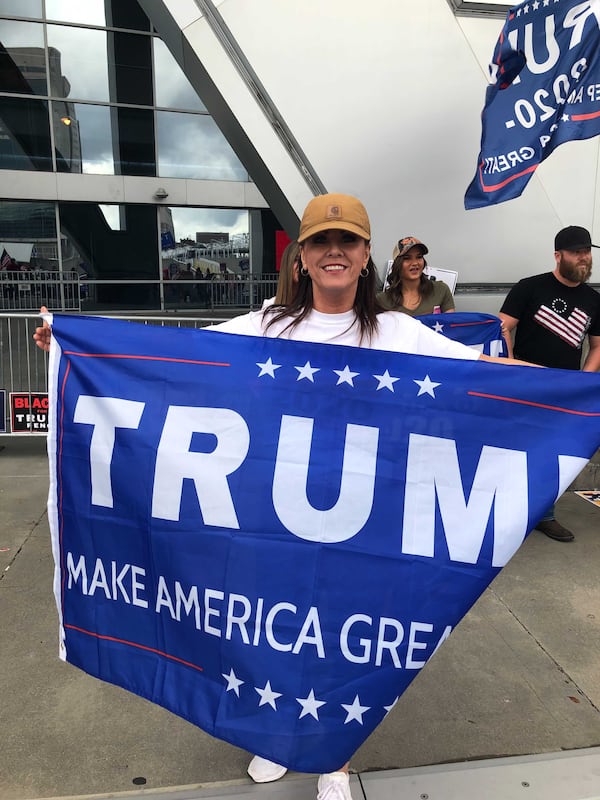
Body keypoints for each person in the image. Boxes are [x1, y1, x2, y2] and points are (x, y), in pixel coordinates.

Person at [34, 193, 534, 800]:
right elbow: (179, 363)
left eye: (346, 241)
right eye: (321, 242)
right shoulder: (267, 324)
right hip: (271, 521)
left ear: (364, 254)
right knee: (270, 632)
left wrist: (573, 397)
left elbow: (493, 385)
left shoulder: (402, 334)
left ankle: (334, 761)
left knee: (341, 645)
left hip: (361, 528)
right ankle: (274, 739)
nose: (334, 253)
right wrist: (80, 345)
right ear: (301, 255)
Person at [499, 224, 600, 543]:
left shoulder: (593, 299)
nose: (584, 258)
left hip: (565, 392)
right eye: (577, 252)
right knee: (513, 450)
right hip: (525, 387)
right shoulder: (529, 288)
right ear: (558, 255)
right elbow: (502, 328)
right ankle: (503, 515)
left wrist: (582, 382)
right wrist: (514, 370)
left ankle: (545, 515)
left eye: (587, 252)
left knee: (553, 454)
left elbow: (597, 345)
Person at [377, 236, 455, 316]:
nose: (415, 263)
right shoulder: (382, 301)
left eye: (419, 257)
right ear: (397, 264)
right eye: (407, 258)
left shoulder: (441, 290)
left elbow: (450, 325)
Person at [262, 240, 300, 309]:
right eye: (296, 259)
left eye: (304, 261)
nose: (301, 265)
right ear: (287, 264)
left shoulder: (318, 307)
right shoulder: (270, 306)